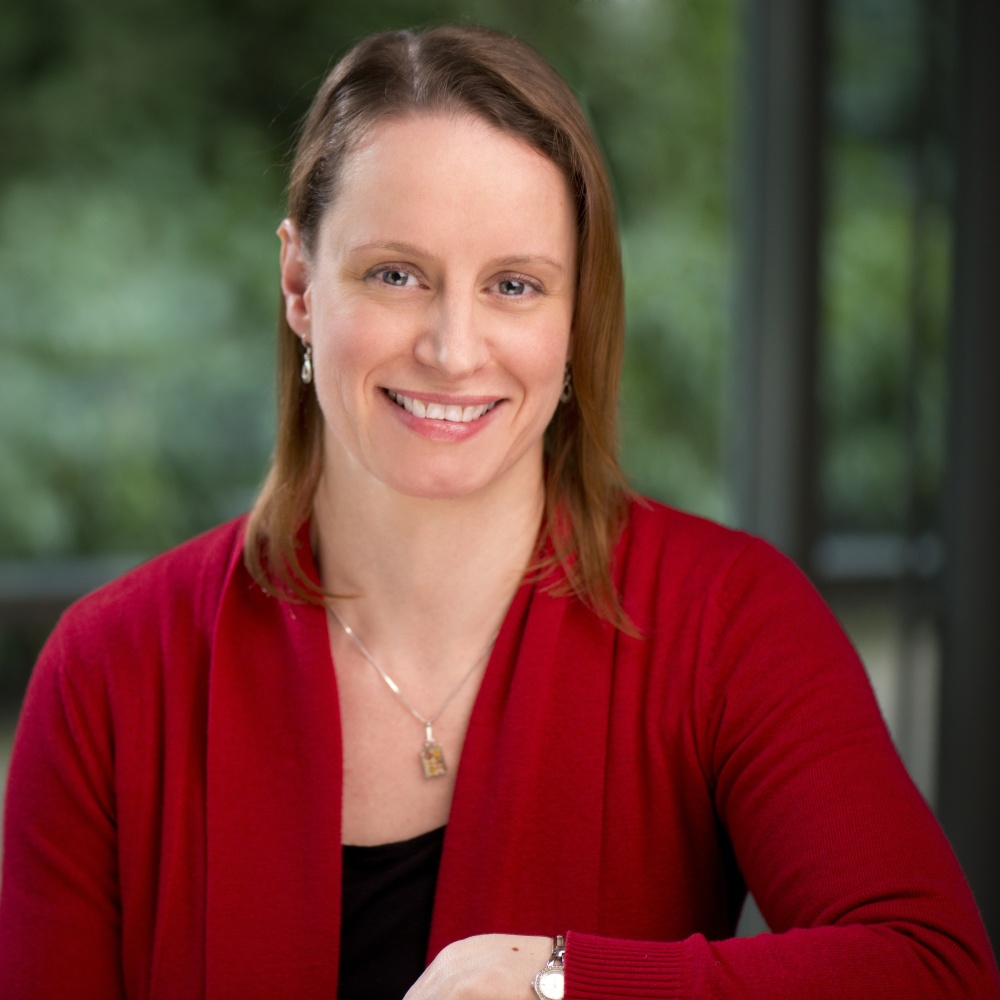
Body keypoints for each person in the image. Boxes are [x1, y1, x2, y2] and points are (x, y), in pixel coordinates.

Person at [0, 22, 997, 1000]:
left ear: (573, 316)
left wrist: (561, 981)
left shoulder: (726, 622)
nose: (453, 346)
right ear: (300, 283)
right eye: (396, 274)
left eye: (514, 285)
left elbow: (932, 969)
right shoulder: (108, 676)